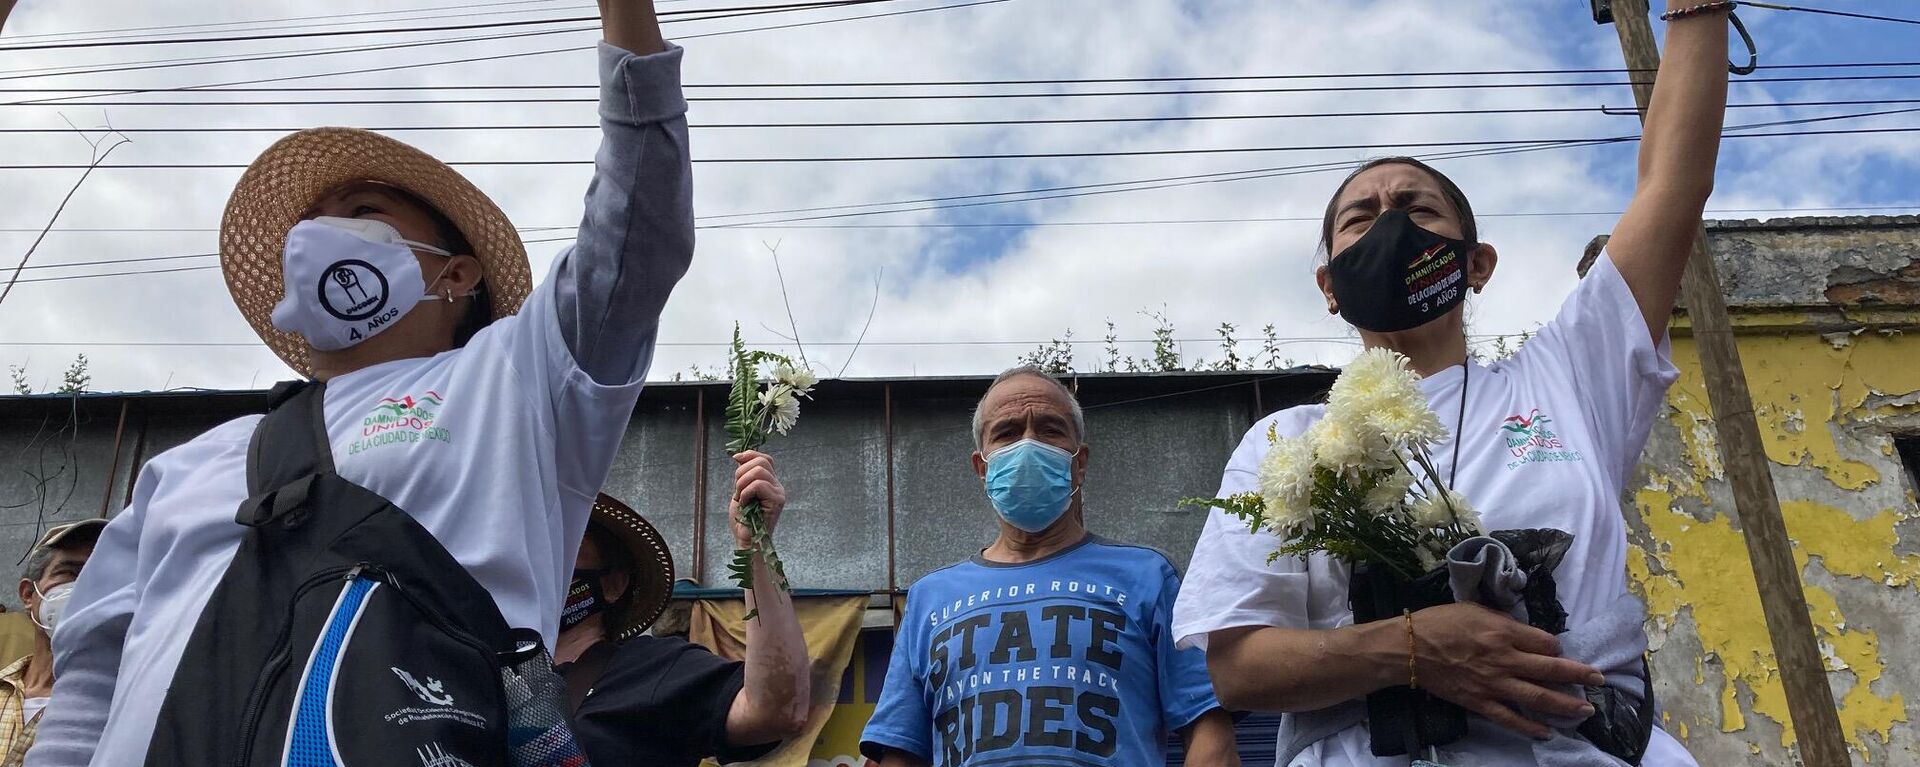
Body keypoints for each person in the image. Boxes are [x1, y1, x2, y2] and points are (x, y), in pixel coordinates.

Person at [27, 1, 694, 764]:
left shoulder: (518, 379)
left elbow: (639, 225)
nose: (317, 235)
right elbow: (90, 685)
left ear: (455, 272)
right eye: (307, 223)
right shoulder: (181, 468)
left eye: (361, 211)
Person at [1171, 3, 1734, 765]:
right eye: (1360, 218)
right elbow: (1237, 665)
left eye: (1416, 208)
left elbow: (1673, 182)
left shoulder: (1569, 374)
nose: (1389, 225)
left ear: (1477, 264)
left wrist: (1696, 12)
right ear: (1329, 286)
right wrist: (1412, 647)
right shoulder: (1283, 442)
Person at [862, 366, 1241, 767]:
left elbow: (1209, 732)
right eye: (1007, 432)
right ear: (982, 467)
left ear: (1080, 462)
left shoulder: (1148, 577)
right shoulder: (928, 598)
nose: (1029, 444)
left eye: (1050, 430)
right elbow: (900, 752)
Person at [555, 460, 811, 767]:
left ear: (613, 584)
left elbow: (774, 711)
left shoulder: (651, 668)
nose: (541, 566)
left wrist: (754, 546)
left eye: (564, 549)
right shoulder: (490, 670)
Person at [1, 522, 104, 767]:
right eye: (71, 572)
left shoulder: (116, 703)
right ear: (28, 594)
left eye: (102, 577)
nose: (88, 588)